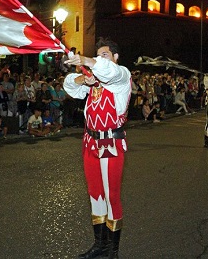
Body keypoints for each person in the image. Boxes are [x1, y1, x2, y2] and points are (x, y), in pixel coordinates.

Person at [63, 37, 131, 259]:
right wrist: (84, 78)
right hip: (90, 142)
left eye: (105, 55)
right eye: (98, 55)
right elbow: (69, 85)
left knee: (112, 196)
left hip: (110, 143)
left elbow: (109, 72)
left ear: (115, 58)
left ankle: (113, 252)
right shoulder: (93, 83)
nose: (101, 59)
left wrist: (87, 60)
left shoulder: (121, 77)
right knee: (95, 195)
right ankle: (99, 246)